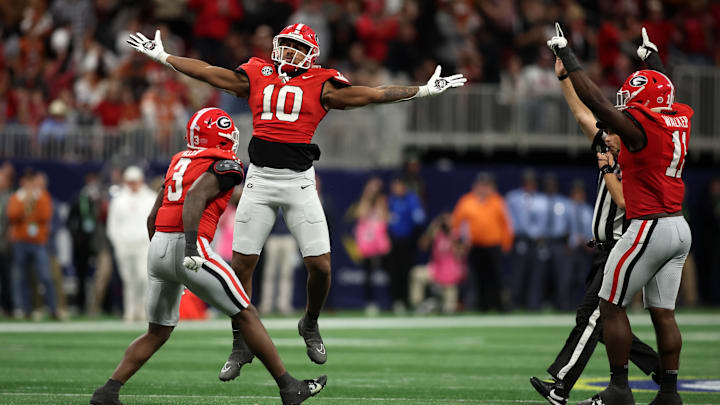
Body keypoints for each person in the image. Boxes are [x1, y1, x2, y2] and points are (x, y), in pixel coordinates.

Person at [127, 24, 466, 377]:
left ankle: (310, 322)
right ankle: (240, 342)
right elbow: (212, 73)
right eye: (285, 44)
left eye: (296, 46)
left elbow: (372, 94)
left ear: (311, 54)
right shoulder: (258, 72)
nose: (288, 51)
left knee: (320, 267)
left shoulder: (322, 82)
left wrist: (423, 91)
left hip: (299, 184)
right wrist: (164, 57)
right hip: (259, 179)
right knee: (242, 265)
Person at [90, 107, 326, 405]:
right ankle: (289, 387)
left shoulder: (178, 160)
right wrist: (189, 250)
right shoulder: (227, 164)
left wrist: (160, 257)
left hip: (159, 246)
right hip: (188, 245)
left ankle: (108, 391)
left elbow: (154, 214)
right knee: (246, 313)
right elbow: (195, 197)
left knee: (157, 332)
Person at [549, 25, 692, 405]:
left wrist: (570, 57)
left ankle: (618, 389)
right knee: (663, 313)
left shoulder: (638, 132)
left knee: (609, 306)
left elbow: (597, 104)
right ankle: (669, 393)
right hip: (679, 225)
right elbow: (665, 90)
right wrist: (654, 59)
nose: (628, 105)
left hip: (650, 224)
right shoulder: (677, 115)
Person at [529, 50, 661, 405]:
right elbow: (581, 113)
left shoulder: (635, 162)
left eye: (615, 129)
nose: (608, 132)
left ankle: (560, 387)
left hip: (621, 246)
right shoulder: (609, 146)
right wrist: (564, 78)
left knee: (591, 319)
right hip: (603, 249)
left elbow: (624, 203)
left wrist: (606, 168)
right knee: (603, 324)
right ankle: (660, 370)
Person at [451, 173, 512, 311]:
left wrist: (506, 244)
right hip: (474, 246)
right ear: (475, 186)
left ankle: (498, 305)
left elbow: (506, 225)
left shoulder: (497, 201)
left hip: (493, 245)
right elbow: (457, 223)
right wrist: (457, 243)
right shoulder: (466, 201)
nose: (483, 188)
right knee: (475, 277)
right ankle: (478, 305)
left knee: (496, 277)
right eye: (481, 185)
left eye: (487, 185)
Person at [106, 166, 158, 322]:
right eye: (130, 182)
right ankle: (129, 312)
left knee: (143, 278)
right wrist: (118, 243)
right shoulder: (118, 200)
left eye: (135, 181)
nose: (133, 185)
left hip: (143, 245)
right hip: (124, 245)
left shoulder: (150, 198)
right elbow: (112, 226)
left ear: (141, 181)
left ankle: (142, 312)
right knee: (128, 280)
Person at [7, 170, 57, 319]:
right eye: (26, 181)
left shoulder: (42, 196)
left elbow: (45, 215)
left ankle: (53, 308)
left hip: (38, 242)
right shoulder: (17, 197)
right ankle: (23, 308)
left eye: (31, 181)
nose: (28, 184)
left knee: (45, 276)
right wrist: (26, 205)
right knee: (20, 277)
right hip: (21, 242)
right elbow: (12, 215)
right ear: (22, 182)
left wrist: (31, 204)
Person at [350, 177, 390, 315]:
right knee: (368, 274)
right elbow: (360, 214)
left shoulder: (382, 201)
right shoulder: (364, 200)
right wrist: (367, 196)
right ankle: (370, 302)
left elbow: (384, 218)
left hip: (379, 242)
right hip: (366, 242)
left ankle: (389, 301)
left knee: (386, 271)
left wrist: (378, 202)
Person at [386, 176, 426, 314]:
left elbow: (419, 219)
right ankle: (396, 301)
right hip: (392, 242)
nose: (395, 189)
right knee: (393, 273)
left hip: (407, 243)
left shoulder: (411, 199)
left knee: (406, 272)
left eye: (397, 185)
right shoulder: (391, 200)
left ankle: (406, 300)